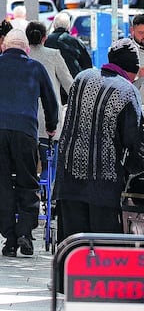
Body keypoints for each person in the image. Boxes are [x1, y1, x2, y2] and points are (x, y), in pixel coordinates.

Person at [0, 28, 59, 258]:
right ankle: (25, 233)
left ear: (4, 47)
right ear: (27, 49)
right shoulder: (35, 67)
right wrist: (51, 126)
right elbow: (51, 101)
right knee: (28, 182)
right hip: (25, 132)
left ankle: (10, 239)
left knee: (0, 184)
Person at [56, 38, 144, 241]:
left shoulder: (81, 78)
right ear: (130, 69)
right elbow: (135, 141)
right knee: (103, 249)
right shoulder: (127, 91)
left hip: (68, 182)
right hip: (103, 187)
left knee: (73, 248)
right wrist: (133, 170)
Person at [26, 21, 73, 168]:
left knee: (29, 163)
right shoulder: (53, 55)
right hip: (49, 118)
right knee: (50, 163)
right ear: (44, 37)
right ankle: (47, 189)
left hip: (26, 117)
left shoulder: (23, 56)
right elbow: (69, 84)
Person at [45, 11, 93, 80]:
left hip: (52, 82)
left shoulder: (45, 41)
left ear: (54, 25)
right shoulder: (76, 42)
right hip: (73, 82)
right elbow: (87, 66)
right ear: (68, 27)